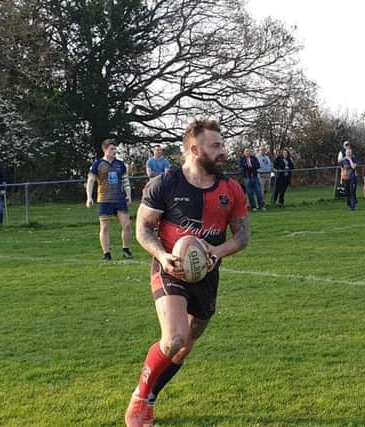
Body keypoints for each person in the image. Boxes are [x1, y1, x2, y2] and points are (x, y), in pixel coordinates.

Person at [124, 117, 250, 427]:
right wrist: (163, 256)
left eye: (222, 144)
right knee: (174, 339)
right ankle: (140, 399)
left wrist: (216, 253)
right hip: (170, 271)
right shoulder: (165, 183)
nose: (223, 151)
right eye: (215, 145)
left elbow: (242, 236)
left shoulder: (231, 189)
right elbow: (142, 227)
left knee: (186, 345)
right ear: (194, 149)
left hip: (206, 276)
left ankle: (151, 396)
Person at [85, 140, 133, 261]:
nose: (114, 151)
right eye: (112, 149)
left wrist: (128, 194)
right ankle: (107, 254)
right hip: (104, 200)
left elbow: (125, 180)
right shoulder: (97, 164)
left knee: (127, 225)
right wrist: (89, 197)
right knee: (105, 227)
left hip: (119, 199)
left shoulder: (120, 164)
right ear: (105, 150)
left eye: (115, 149)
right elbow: (90, 181)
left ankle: (126, 250)